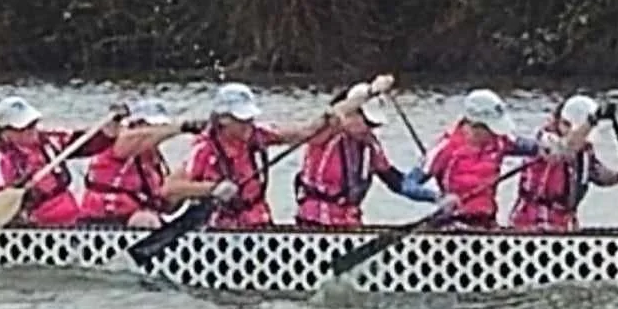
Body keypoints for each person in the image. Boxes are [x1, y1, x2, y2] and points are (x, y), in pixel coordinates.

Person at [165, 82, 329, 230]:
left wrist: (328, 118)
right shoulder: (204, 149)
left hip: (259, 224)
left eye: (250, 118)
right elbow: (170, 189)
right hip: (221, 230)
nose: (248, 125)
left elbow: (303, 133)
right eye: (241, 120)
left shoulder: (258, 135)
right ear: (223, 120)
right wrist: (212, 189)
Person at [294, 82, 424, 229]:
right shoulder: (326, 132)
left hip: (350, 222)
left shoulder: (370, 144)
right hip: (315, 223)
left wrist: (435, 195)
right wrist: (371, 90)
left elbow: (396, 182)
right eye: (367, 122)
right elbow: (333, 112)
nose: (369, 129)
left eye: (374, 125)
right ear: (351, 114)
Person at [0, 96, 115, 227]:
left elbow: (83, 142)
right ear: (6, 133)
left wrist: (106, 132)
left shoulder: (49, 142)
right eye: (24, 127)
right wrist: (30, 190)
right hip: (35, 227)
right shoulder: (1, 161)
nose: (31, 130)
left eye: (33, 124)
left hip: (69, 214)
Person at [418, 90, 544, 229]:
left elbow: (532, 148)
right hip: (453, 222)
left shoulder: (500, 141)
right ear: (476, 126)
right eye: (491, 129)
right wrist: (437, 197)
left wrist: (549, 146)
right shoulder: (445, 148)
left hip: (486, 222)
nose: (495, 134)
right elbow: (407, 185)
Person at [510, 94, 618, 233]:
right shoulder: (546, 140)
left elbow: (600, 175)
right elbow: (565, 147)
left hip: (564, 225)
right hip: (531, 224)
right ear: (563, 124)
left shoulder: (584, 151)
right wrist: (592, 120)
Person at [80, 97, 195, 229]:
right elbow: (134, 138)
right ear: (137, 125)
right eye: (153, 125)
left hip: (137, 220)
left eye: (162, 125)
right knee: (146, 220)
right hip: (104, 223)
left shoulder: (153, 158)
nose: (158, 130)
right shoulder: (117, 143)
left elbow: (162, 200)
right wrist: (181, 128)